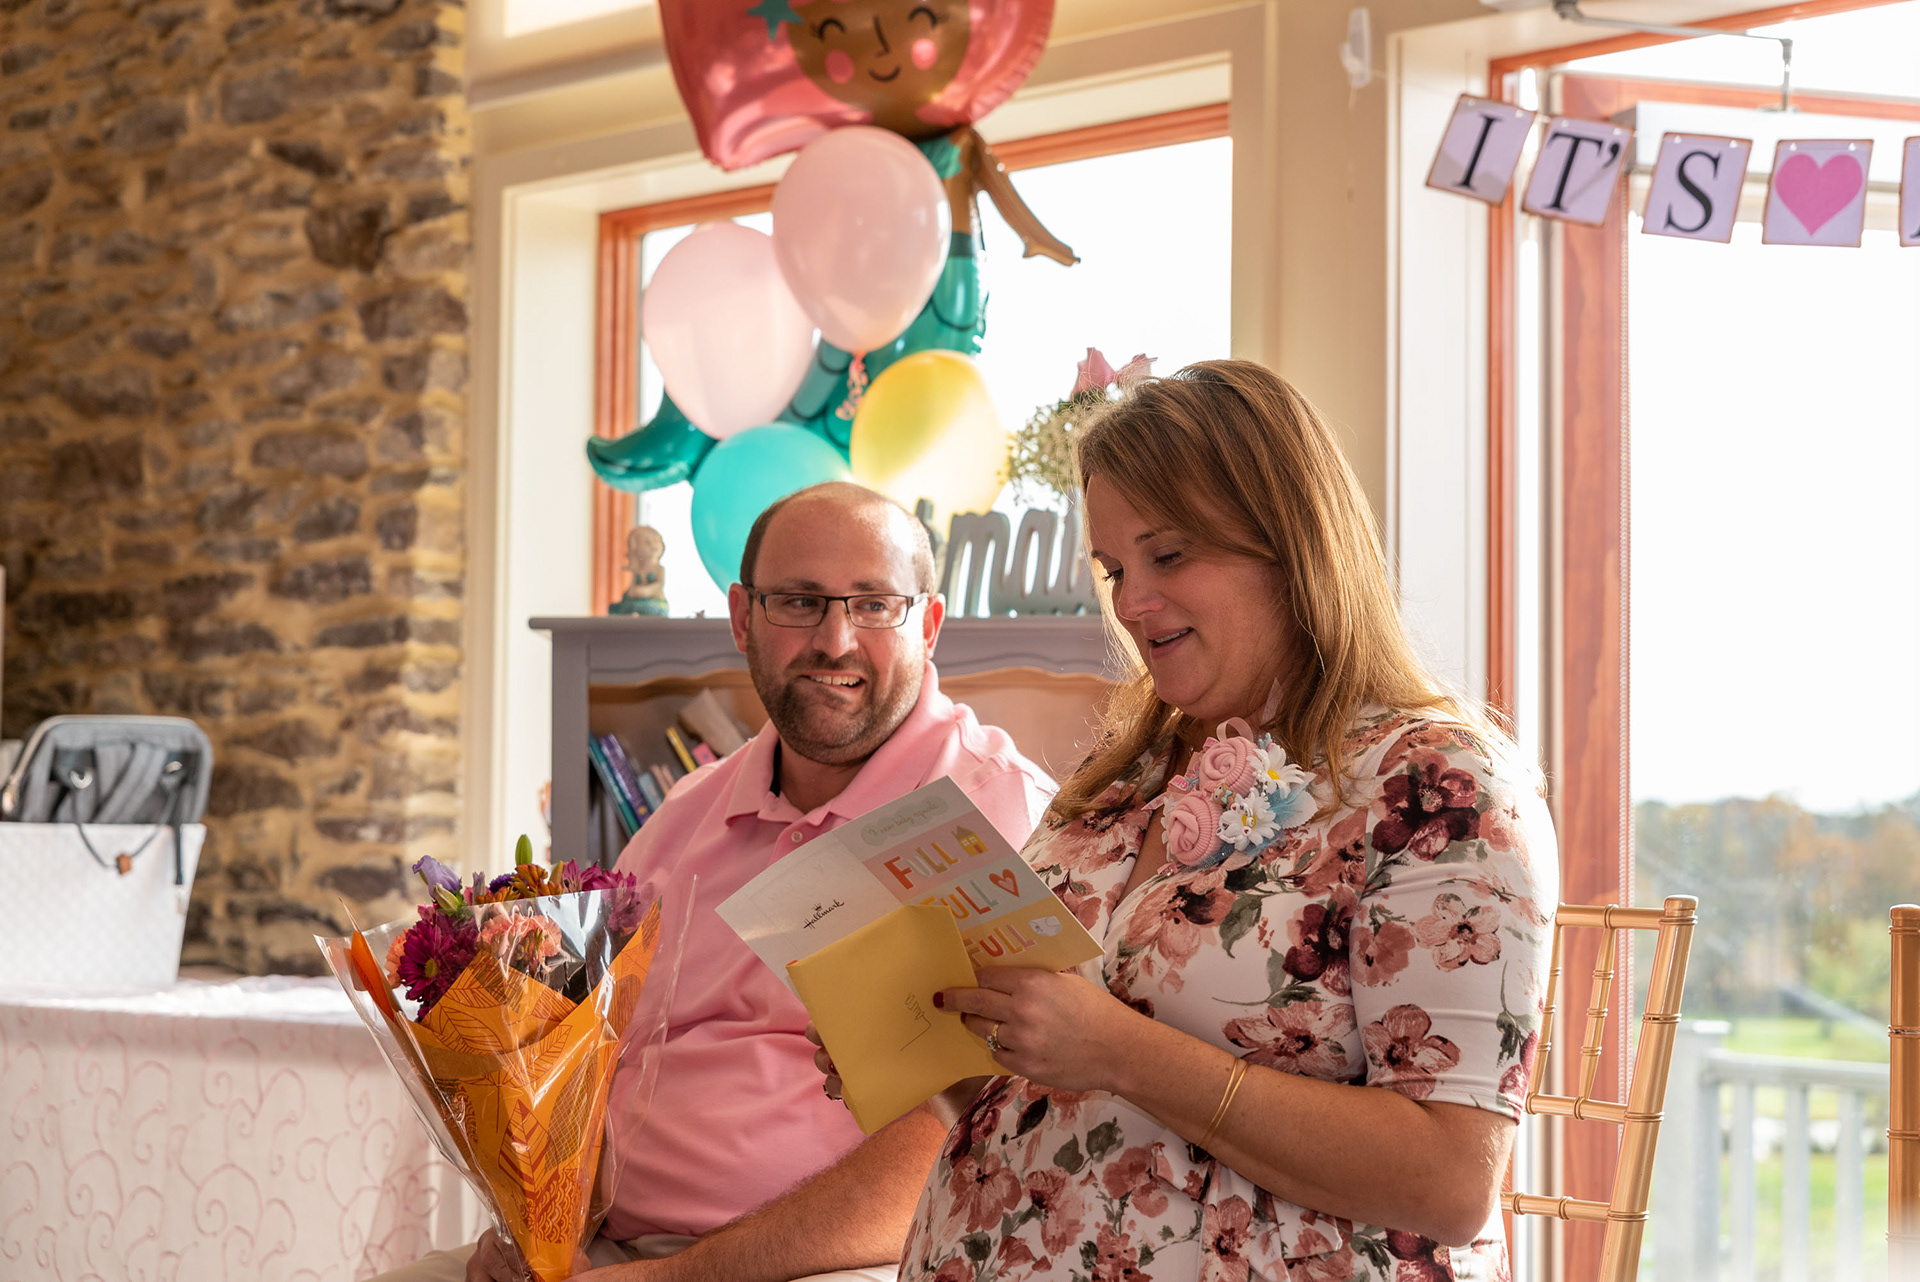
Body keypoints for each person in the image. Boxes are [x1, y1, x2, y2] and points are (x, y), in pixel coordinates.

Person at [823, 362, 1558, 1280]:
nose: (1131, 603)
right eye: (1114, 569)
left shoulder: (1436, 786)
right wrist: (929, 1045)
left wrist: (1123, 1053)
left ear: (1292, 545)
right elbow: (1047, 1092)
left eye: (1167, 556)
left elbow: (1448, 1181)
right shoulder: (1125, 776)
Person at [379, 482, 1057, 1282]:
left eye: (875, 605)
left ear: (929, 625)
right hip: (603, 1250)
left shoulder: (997, 815)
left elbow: (968, 1136)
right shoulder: (684, 815)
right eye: (799, 602)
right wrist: (534, 1223)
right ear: (742, 618)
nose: (836, 640)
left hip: (849, 1262)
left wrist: (669, 1279)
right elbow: (582, 1064)